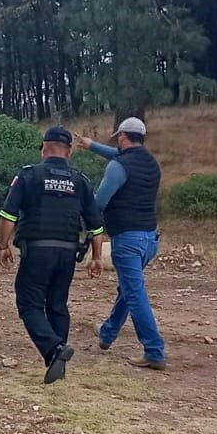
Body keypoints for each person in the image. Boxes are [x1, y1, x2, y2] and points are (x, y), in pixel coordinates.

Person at [0, 126, 104, 384]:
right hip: (68, 253)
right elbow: (96, 225)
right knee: (57, 305)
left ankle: (54, 349)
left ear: (44, 148)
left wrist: (3, 245)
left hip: (37, 250)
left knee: (28, 303)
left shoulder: (28, 176)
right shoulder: (81, 181)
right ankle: (58, 364)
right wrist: (97, 257)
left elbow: (8, 214)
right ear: (69, 152)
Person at [77, 117, 165, 370]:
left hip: (127, 239)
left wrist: (79, 209)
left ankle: (154, 351)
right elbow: (118, 156)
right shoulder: (150, 162)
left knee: (135, 295)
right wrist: (91, 145)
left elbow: (99, 202)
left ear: (123, 136)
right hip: (149, 239)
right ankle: (107, 334)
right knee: (128, 290)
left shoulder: (118, 166)